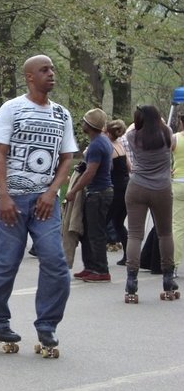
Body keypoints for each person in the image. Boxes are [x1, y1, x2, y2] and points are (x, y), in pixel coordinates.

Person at [0, 55, 77, 351]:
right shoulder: (12, 109)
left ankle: (47, 325)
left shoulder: (62, 115)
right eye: (44, 70)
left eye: (52, 69)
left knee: (56, 262)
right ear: (30, 77)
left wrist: (51, 193)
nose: (51, 74)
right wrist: (5, 195)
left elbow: (67, 159)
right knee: (4, 260)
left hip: (46, 202)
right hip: (13, 199)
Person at [123, 105, 176, 301]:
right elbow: (163, 128)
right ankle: (168, 278)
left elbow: (128, 129)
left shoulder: (133, 137)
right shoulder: (167, 134)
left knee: (135, 235)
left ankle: (131, 281)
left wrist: (139, 120)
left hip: (137, 186)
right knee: (165, 233)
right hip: (161, 188)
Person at [66, 108, 114, 282]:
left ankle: (101, 270)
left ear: (91, 125)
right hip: (99, 191)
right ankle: (90, 266)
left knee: (96, 233)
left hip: (98, 194)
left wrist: (73, 190)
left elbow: (90, 173)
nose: (82, 124)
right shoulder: (103, 141)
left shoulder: (96, 144)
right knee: (86, 232)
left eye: (85, 121)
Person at [105, 119, 131, 266]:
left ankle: (97, 257)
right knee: (118, 222)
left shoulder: (109, 148)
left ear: (108, 132)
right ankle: (128, 254)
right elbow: (129, 167)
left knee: (105, 220)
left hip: (115, 188)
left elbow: (107, 169)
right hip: (126, 186)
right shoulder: (120, 146)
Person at [172, 113, 184, 279]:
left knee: (177, 225)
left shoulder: (174, 139)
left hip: (179, 182)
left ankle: (173, 265)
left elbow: (162, 157)